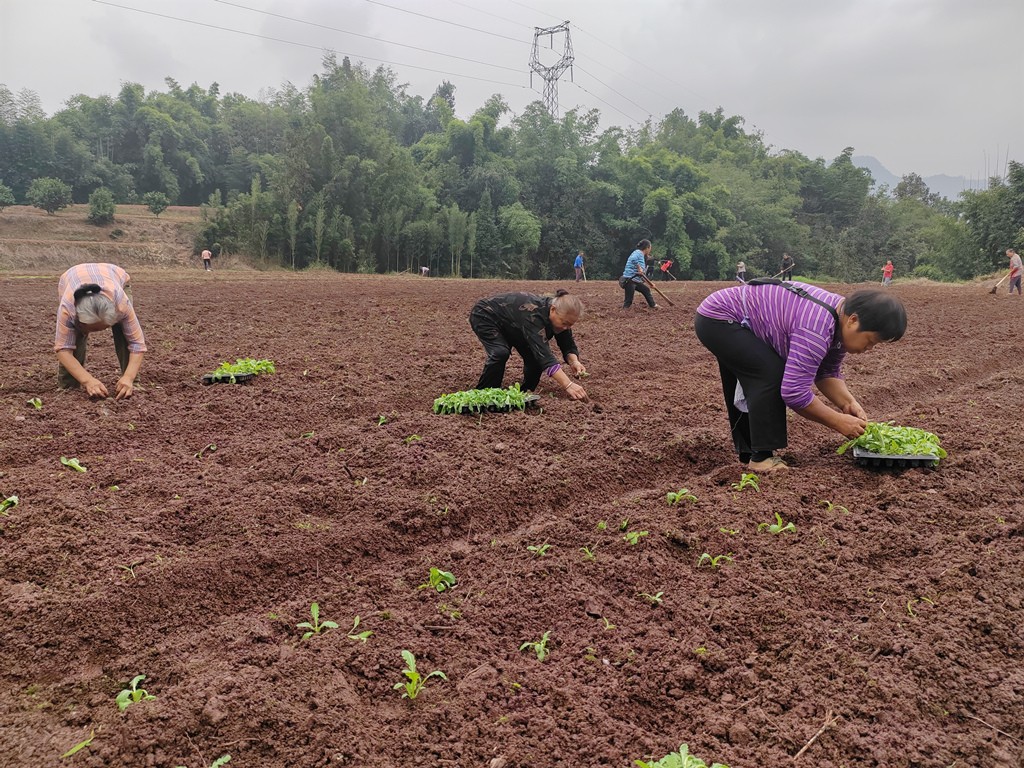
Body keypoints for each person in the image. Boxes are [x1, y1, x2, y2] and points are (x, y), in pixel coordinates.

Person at [694, 280, 907, 472]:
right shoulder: (816, 328)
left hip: (732, 320)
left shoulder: (838, 322)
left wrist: (848, 403)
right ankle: (761, 458)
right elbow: (794, 392)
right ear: (853, 320)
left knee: (760, 371)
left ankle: (750, 452)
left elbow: (826, 372)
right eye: (870, 340)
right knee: (770, 374)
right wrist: (838, 422)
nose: (869, 348)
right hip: (719, 319)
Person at [470, 289, 589, 401]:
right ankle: (484, 393)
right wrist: (568, 384)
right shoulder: (533, 316)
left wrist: (574, 362)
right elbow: (545, 356)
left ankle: (525, 392)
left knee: (534, 359)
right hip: (486, 315)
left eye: (570, 325)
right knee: (500, 352)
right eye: (564, 323)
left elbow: (567, 344)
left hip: (513, 325)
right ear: (552, 309)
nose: (566, 327)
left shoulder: (561, 318)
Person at [54, 263, 146, 399]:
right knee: (74, 337)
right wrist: (88, 381)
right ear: (79, 318)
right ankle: (68, 387)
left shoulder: (121, 304)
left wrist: (128, 377)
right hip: (71, 279)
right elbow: (63, 349)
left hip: (114, 277)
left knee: (124, 334)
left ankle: (131, 383)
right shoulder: (68, 309)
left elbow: (137, 344)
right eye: (91, 328)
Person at [620, 240, 658, 309]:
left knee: (646, 290)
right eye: (650, 248)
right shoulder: (638, 253)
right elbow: (633, 259)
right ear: (647, 248)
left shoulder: (641, 255)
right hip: (630, 279)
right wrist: (639, 267)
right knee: (628, 300)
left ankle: (653, 306)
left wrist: (650, 284)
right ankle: (624, 312)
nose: (650, 250)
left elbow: (642, 275)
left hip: (636, 280)